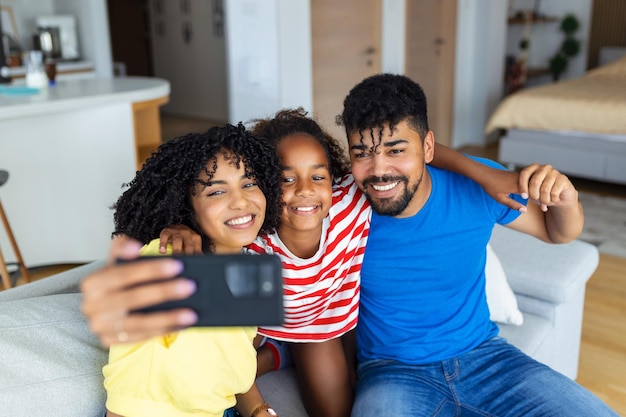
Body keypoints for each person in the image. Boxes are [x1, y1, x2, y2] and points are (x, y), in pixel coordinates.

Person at [82, 107, 529, 417]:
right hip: (270, 324)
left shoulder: (346, 200)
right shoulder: (246, 241)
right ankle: (277, 350)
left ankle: (281, 352)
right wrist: (174, 229)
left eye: (317, 176)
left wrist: (487, 172)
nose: (305, 190)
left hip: (324, 326)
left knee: (340, 402)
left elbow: (401, 154)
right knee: (240, 346)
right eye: (284, 180)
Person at [338, 73, 617, 416]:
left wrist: (567, 198)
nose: (379, 171)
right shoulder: (341, 208)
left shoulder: (479, 183)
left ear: (428, 147)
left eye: (396, 151)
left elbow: (556, 232)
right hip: (392, 373)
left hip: (487, 359)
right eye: (362, 154)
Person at [99, 123, 283, 417]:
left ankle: (280, 354)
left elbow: (229, 367)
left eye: (249, 183)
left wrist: (261, 411)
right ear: (185, 205)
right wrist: (171, 232)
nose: (240, 201)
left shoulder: (252, 276)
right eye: (215, 192)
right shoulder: (164, 258)